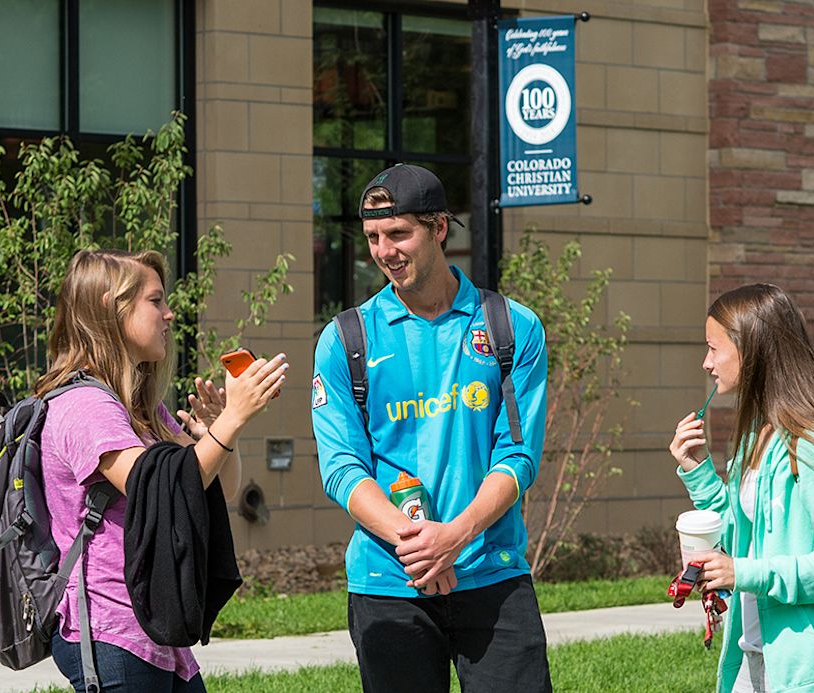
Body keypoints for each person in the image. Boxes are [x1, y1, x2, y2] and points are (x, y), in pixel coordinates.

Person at [311, 163, 553, 692]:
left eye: (399, 233)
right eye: (374, 237)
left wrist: (455, 536)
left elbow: (517, 455)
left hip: (492, 574)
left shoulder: (510, 327)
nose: (384, 251)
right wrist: (421, 547)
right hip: (387, 582)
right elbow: (341, 468)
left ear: (439, 227)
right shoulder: (345, 340)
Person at [35, 249, 287, 692]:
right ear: (110, 309)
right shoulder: (83, 406)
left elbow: (213, 488)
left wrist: (218, 433)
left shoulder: (138, 407)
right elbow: (157, 486)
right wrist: (231, 422)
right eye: (155, 301)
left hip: (153, 627)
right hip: (110, 628)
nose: (169, 314)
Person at [667, 283, 814, 693]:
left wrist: (745, 572)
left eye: (713, 348)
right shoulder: (758, 435)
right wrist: (698, 472)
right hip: (755, 654)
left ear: (751, 349)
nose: (706, 363)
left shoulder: (812, 442)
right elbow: (742, 533)